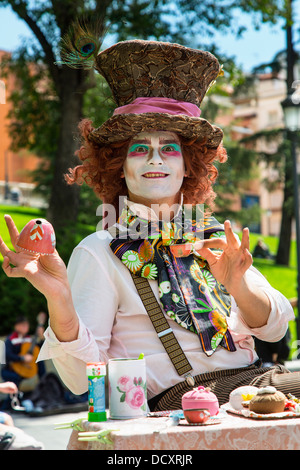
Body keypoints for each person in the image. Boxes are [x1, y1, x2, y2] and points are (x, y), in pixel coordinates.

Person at [0, 39, 297, 410]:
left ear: (188, 165)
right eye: (139, 148)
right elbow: (79, 381)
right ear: (118, 166)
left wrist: (238, 285)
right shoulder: (98, 250)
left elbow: (275, 327)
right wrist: (58, 299)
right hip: (177, 408)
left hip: (255, 386)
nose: (155, 158)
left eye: (169, 147)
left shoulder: (215, 235)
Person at [1, 316, 46, 389]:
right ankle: (11, 399)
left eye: (27, 325)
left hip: (25, 368)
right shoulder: (10, 339)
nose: (26, 327)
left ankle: (44, 387)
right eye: (23, 325)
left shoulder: (28, 339)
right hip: (10, 369)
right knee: (14, 383)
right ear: (17, 326)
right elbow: (7, 355)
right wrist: (22, 358)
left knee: (40, 361)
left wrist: (42, 337)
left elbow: (39, 350)